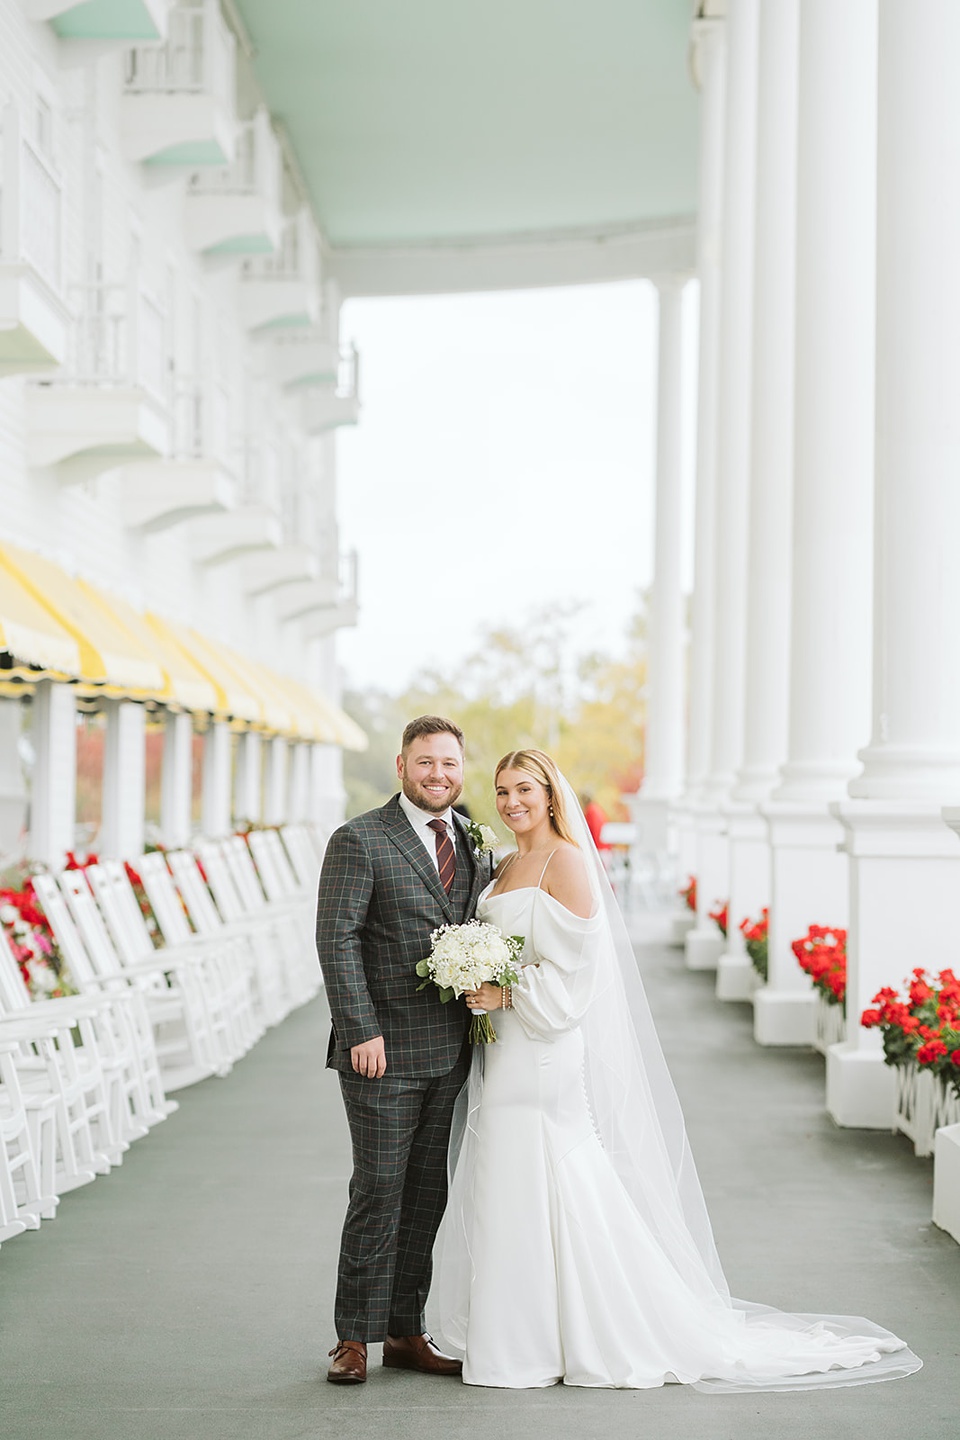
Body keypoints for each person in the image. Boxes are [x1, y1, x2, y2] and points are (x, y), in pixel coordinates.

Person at [437, 749, 921, 1392]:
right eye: (500, 790)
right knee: (507, 1173)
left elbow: (580, 974)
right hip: (502, 1045)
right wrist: (475, 975)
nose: (510, 801)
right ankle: (524, 1335)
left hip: (543, 1043)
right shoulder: (500, 865)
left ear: (551, 794)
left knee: (548, 1170)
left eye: (523, 788)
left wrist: (509, 992)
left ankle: (564, 1336)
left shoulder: (568, 862)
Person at [315, 716, 493, 1385]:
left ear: (461, 768)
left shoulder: (470, 839)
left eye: (449, 764)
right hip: (380, 1053)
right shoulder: (359, 839)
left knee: (426, 1193)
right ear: (401, 765)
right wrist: (360, 1029)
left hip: (450, 1050)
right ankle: (352, 1338)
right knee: (379, 1190)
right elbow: (337, 939)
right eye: (425, 764)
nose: (438, 775)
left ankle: (404, 1331)